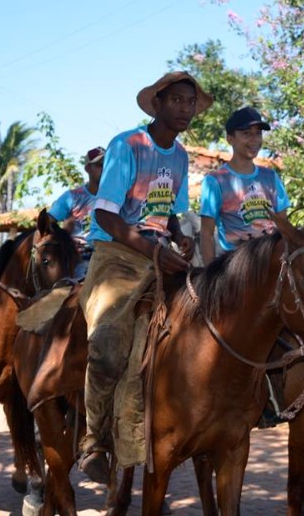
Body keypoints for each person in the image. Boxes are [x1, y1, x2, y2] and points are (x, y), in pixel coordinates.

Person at [78, 70, 212, 481]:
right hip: (116, 254)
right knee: (107, 341)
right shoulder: (128, 144)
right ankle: (92, 439)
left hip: (159, 255)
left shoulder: (180, 155)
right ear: (158, 104)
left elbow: (168, 211)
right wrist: (155, 248)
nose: (185, 108)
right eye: (177, 100)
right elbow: (105, 213)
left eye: (190, 102)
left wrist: (179, 238)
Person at [199, 107, 290, 265]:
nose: (255, 139)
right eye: (247, 133)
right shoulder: (215, 181)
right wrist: (209, 277)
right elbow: (206, 234)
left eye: (258, 133)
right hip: (236, 268)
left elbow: (284, 226)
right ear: (230, 138)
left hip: (271, 263)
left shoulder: (271, 177)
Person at [48, 146, 105, 279]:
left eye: (108, 164)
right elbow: (46, 223)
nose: (105, 168)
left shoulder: (117, 197)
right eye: (99, 165)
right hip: (79, 260)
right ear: (88, 169)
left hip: (109, 256)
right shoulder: (72, 197)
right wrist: (64, 239)